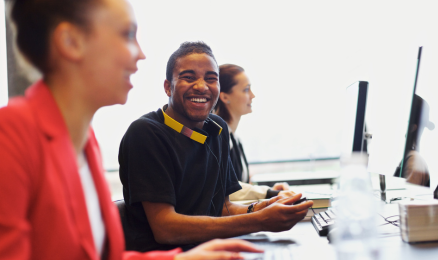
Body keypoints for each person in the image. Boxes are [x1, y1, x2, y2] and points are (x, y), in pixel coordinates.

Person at [0, 0, 263, 259]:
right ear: (71, 42)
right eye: (127, 35)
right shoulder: (11, 137)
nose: (140, 53)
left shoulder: (84, 142)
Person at [118, 41, 314, 252]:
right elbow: (166, 228)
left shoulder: (217, 128)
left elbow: (223, 208)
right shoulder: (146, 133)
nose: (201, 86)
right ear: (168, 87)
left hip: (207, 250)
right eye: (188, 77)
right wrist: (259, 220)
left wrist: (263, 207)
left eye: (211, 79)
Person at [214, 64, 295, 200]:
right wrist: (268, 193)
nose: (252, 95)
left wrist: (271, 191)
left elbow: (241, 187)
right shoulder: (216, 139)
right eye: (246, 90)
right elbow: (227, 189)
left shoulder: (235, 138)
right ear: (224, 96)